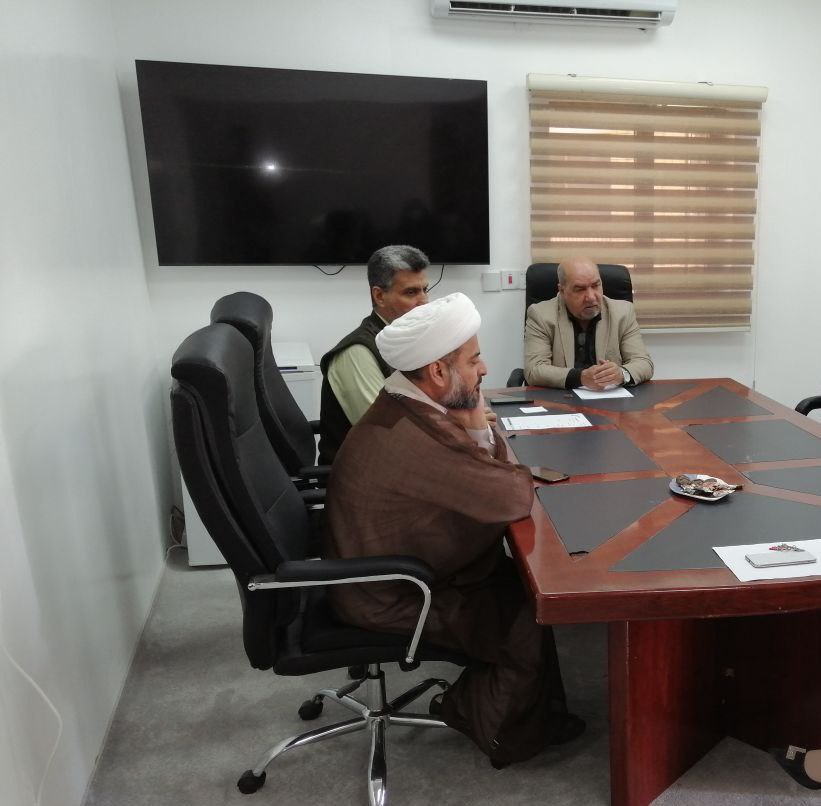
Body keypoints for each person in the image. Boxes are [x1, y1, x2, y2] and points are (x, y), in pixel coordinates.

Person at [323, 292, 584, 767]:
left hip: (395, 570)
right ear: (438, 372)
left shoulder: (406, 404)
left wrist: (474, 429)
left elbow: (489, 479)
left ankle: (532, 711)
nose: (484, 368)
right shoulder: (413, 436)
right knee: (524, 611)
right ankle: (485, 720)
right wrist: (479, 427)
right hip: (392, 595)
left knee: (516, 580)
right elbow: (512, 496)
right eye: (474, 359)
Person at [318, 244, 429, 463]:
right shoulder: (356, 353)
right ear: (379, 296)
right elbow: (388, 433)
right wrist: (459, 425)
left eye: (425, 290)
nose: (424, 301)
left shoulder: (410, 341)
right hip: (362, 475)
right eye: (411, 292)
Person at [523, 256, 654, 390]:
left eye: (595, 286)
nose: (591, 297)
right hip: (562, 397)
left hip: (610, 398)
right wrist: (580, 378)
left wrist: (621, 374)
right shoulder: (541, 315)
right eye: (580, 289)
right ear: (562, 291)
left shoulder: (622, 313)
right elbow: (534, 370)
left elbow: (644, 363)